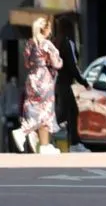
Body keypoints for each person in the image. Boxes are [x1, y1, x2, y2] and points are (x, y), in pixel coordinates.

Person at [12, 17, 63, 155]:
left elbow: (27, 63)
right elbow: (56, 63)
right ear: (45, 29)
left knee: (34, 109)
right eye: (50, 28)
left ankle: (44, 145)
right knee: (46, 110)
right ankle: (23, 131)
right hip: (44, 78)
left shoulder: (30, 43)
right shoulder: (47, 44)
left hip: (32, 78)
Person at [54, 17, 91, 153]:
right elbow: (72, 66)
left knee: (68, 112)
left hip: (58, 83)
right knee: (66, 113)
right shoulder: (68, 42)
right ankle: (73, 143)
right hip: (64, 83)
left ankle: (73, 142)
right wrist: (84, 82)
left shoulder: (57, 41)